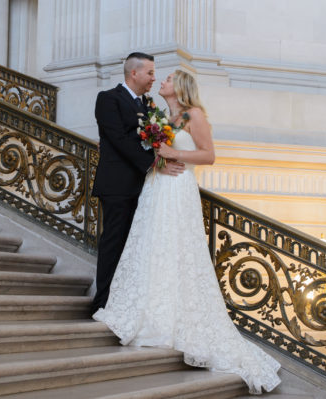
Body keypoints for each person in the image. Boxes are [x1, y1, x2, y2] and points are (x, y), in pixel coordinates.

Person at [93, 70, 281, 394]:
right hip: (156, 189)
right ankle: (149, 313)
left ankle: (176, 321)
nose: (160, 81)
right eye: (158, 77)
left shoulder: (195, 115)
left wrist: (174, 154)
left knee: (178, 250)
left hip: (179, 190)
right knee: (153, 248)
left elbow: (209, 155)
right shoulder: (163, 115)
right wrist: (156, 156)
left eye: (166, 78)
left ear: (179, 88)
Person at [91, 52, 184, 315]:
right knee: (114, 243)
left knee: (136, 247)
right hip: (117, 186)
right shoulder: (108, 99)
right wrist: (155, 164)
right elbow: (119, 140)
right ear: (134, 73)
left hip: (145, 187)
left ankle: (127, 303)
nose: (154, 78)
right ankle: (103, 303)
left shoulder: (149, 104)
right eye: (150, 73)